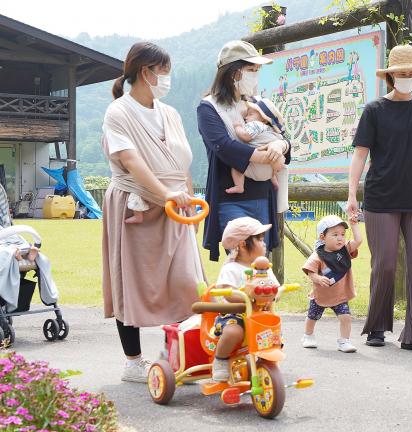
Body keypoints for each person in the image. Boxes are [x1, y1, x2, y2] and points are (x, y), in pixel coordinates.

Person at [102, 42, 205, 382]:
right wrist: (165, 194)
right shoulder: (118, 113)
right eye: (164, 71)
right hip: (137, 204)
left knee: (187, 283)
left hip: (177, 207)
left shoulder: (170, 114)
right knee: (132, 281)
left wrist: (186, 199)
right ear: (146, 72)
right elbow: (131, 161)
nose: (167, 78)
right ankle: (133, 362)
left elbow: (182, 164)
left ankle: (174, 354)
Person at [347, 44, 412, 353]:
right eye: (401, 73)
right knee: (385, 264)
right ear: (391, 76)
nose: (407, 77)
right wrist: (351, 193)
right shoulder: (375, 110)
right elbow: (360, 154)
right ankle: (376, 327)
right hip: (380, 198)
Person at [197, 40, 291, 262]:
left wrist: (280, 146)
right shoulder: (208, 108)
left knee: (260, 261)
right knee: (241, 259)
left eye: (257, 71)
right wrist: (266, 156)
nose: (255, 76)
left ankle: (258, 297)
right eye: (251, 70)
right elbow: (224, 147)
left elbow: (282, 136)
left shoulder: (258, 105)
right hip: (230, 200)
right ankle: (239, 297)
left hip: (262, 196)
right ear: (233, 72)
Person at [211, 217, 279, 381]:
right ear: (242, 244)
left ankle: (267, 364)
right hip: (234, 316)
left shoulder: (264, 269)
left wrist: (277, 293)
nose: (264, 244)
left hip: (259, 315)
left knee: (273, 331)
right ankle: (220, 360)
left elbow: (274, 288)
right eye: (260, 240)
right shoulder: (231, 268)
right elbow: (223, 290)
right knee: (234, 331)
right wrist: (245, 297)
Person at [301, 215, 362, 353]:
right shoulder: (318, 256)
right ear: (322, 237)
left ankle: (344, 341)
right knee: (312, 317)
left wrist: (354, 225)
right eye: (335, 234)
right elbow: (310, 272)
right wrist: (318, 278)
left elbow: (358, 240)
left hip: (340, 296)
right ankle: (308, 336)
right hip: (320, 296)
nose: (340, 238)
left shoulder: (345, 251)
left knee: (346, 317)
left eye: (342, 234)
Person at [229, 99, 287, 195]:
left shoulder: (256, 124)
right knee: (273, 156)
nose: (246, 117)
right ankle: (274, 179)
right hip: (269, 171)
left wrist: (237, 126)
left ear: (264, 119)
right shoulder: (272, 130)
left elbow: (245, 136)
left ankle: (239, 186)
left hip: (254, 166)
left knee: (236, 163)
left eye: (250, 114)